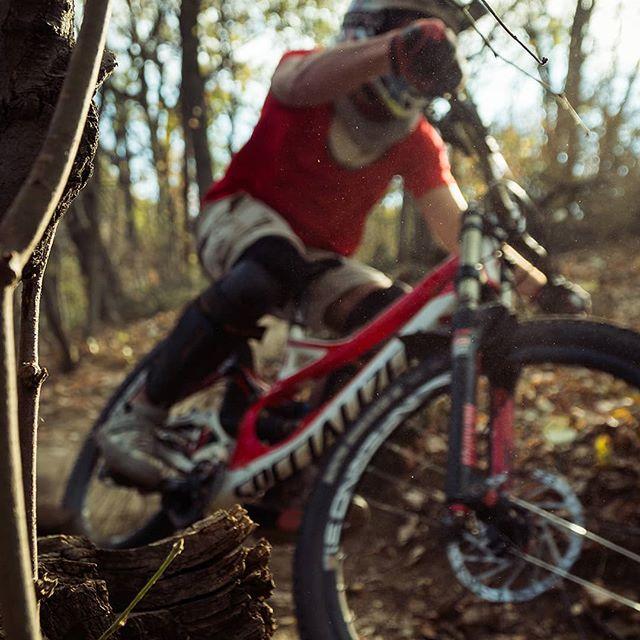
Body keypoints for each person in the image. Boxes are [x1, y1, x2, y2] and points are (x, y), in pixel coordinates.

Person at [98, 0, 590, 491]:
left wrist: (539, 288)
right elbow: (300, 81)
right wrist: (400, 48)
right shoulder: (308, 73)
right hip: (240, 216)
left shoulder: (415, 139)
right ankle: (140, 416)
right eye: (408, 31)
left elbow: (456, 229)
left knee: (388, 319)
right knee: (268, 266)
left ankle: (311, 472)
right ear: (365, 30)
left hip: (319, 263)